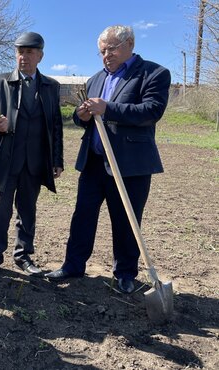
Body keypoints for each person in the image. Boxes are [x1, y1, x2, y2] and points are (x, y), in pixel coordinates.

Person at [45, 25, 171, 294]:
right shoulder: (94, 80)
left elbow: (151, 111)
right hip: (94, 162)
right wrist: (82, 116)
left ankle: (125, 273)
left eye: (111, 48)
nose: (106, 55)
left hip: (130, 165)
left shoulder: (154, 73)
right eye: (102, 51)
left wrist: (108, 108)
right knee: (83, 216)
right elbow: (85, 120)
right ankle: (73, 265)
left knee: (126, 220)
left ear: (130, 44)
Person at [0, 32, 64, 278]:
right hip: (5, 160)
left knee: (28, 211)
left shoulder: (51, 86)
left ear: (40, 56)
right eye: (20, 52)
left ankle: (23, 256)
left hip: (35, 162)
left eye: (29, 52)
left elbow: (56, 125)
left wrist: (56, 160)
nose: (23, 57)